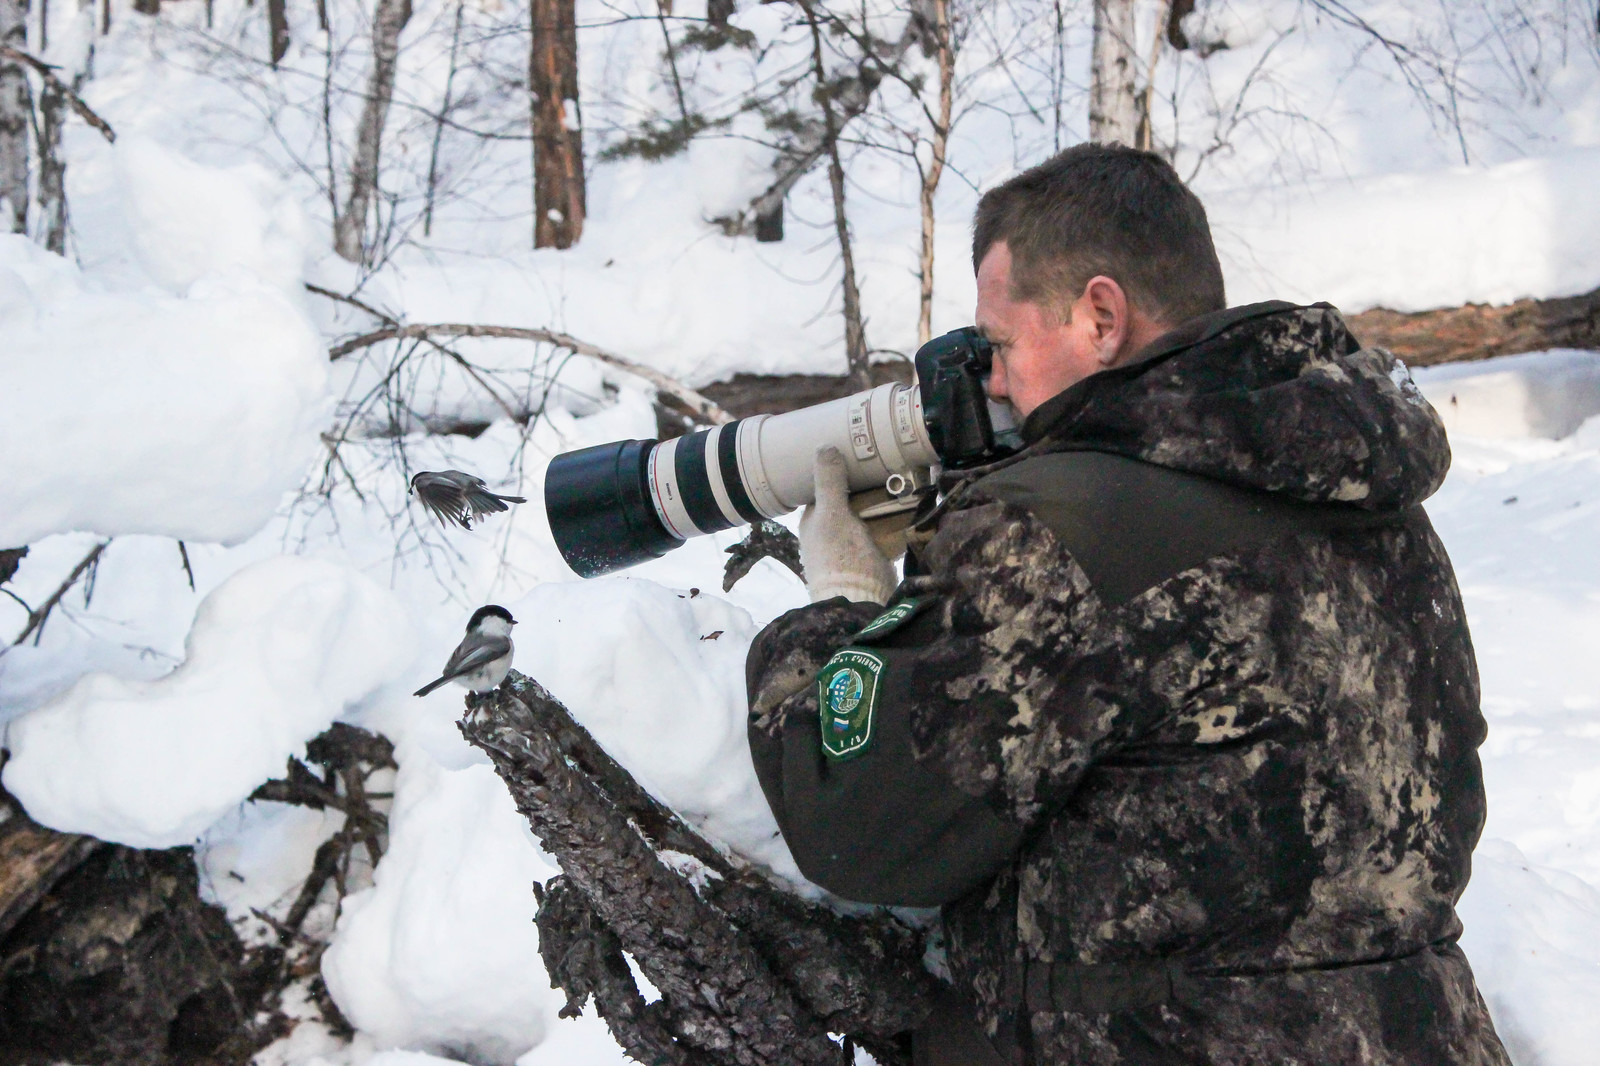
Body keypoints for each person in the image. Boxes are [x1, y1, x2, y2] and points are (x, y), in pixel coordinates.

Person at [744, 143, 1511, 1066]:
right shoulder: (1368, 491)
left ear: (1100, 316)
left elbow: (862, 828)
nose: (990, 381)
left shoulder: (1062, 526)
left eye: (1001, 346)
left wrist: (839, 613)